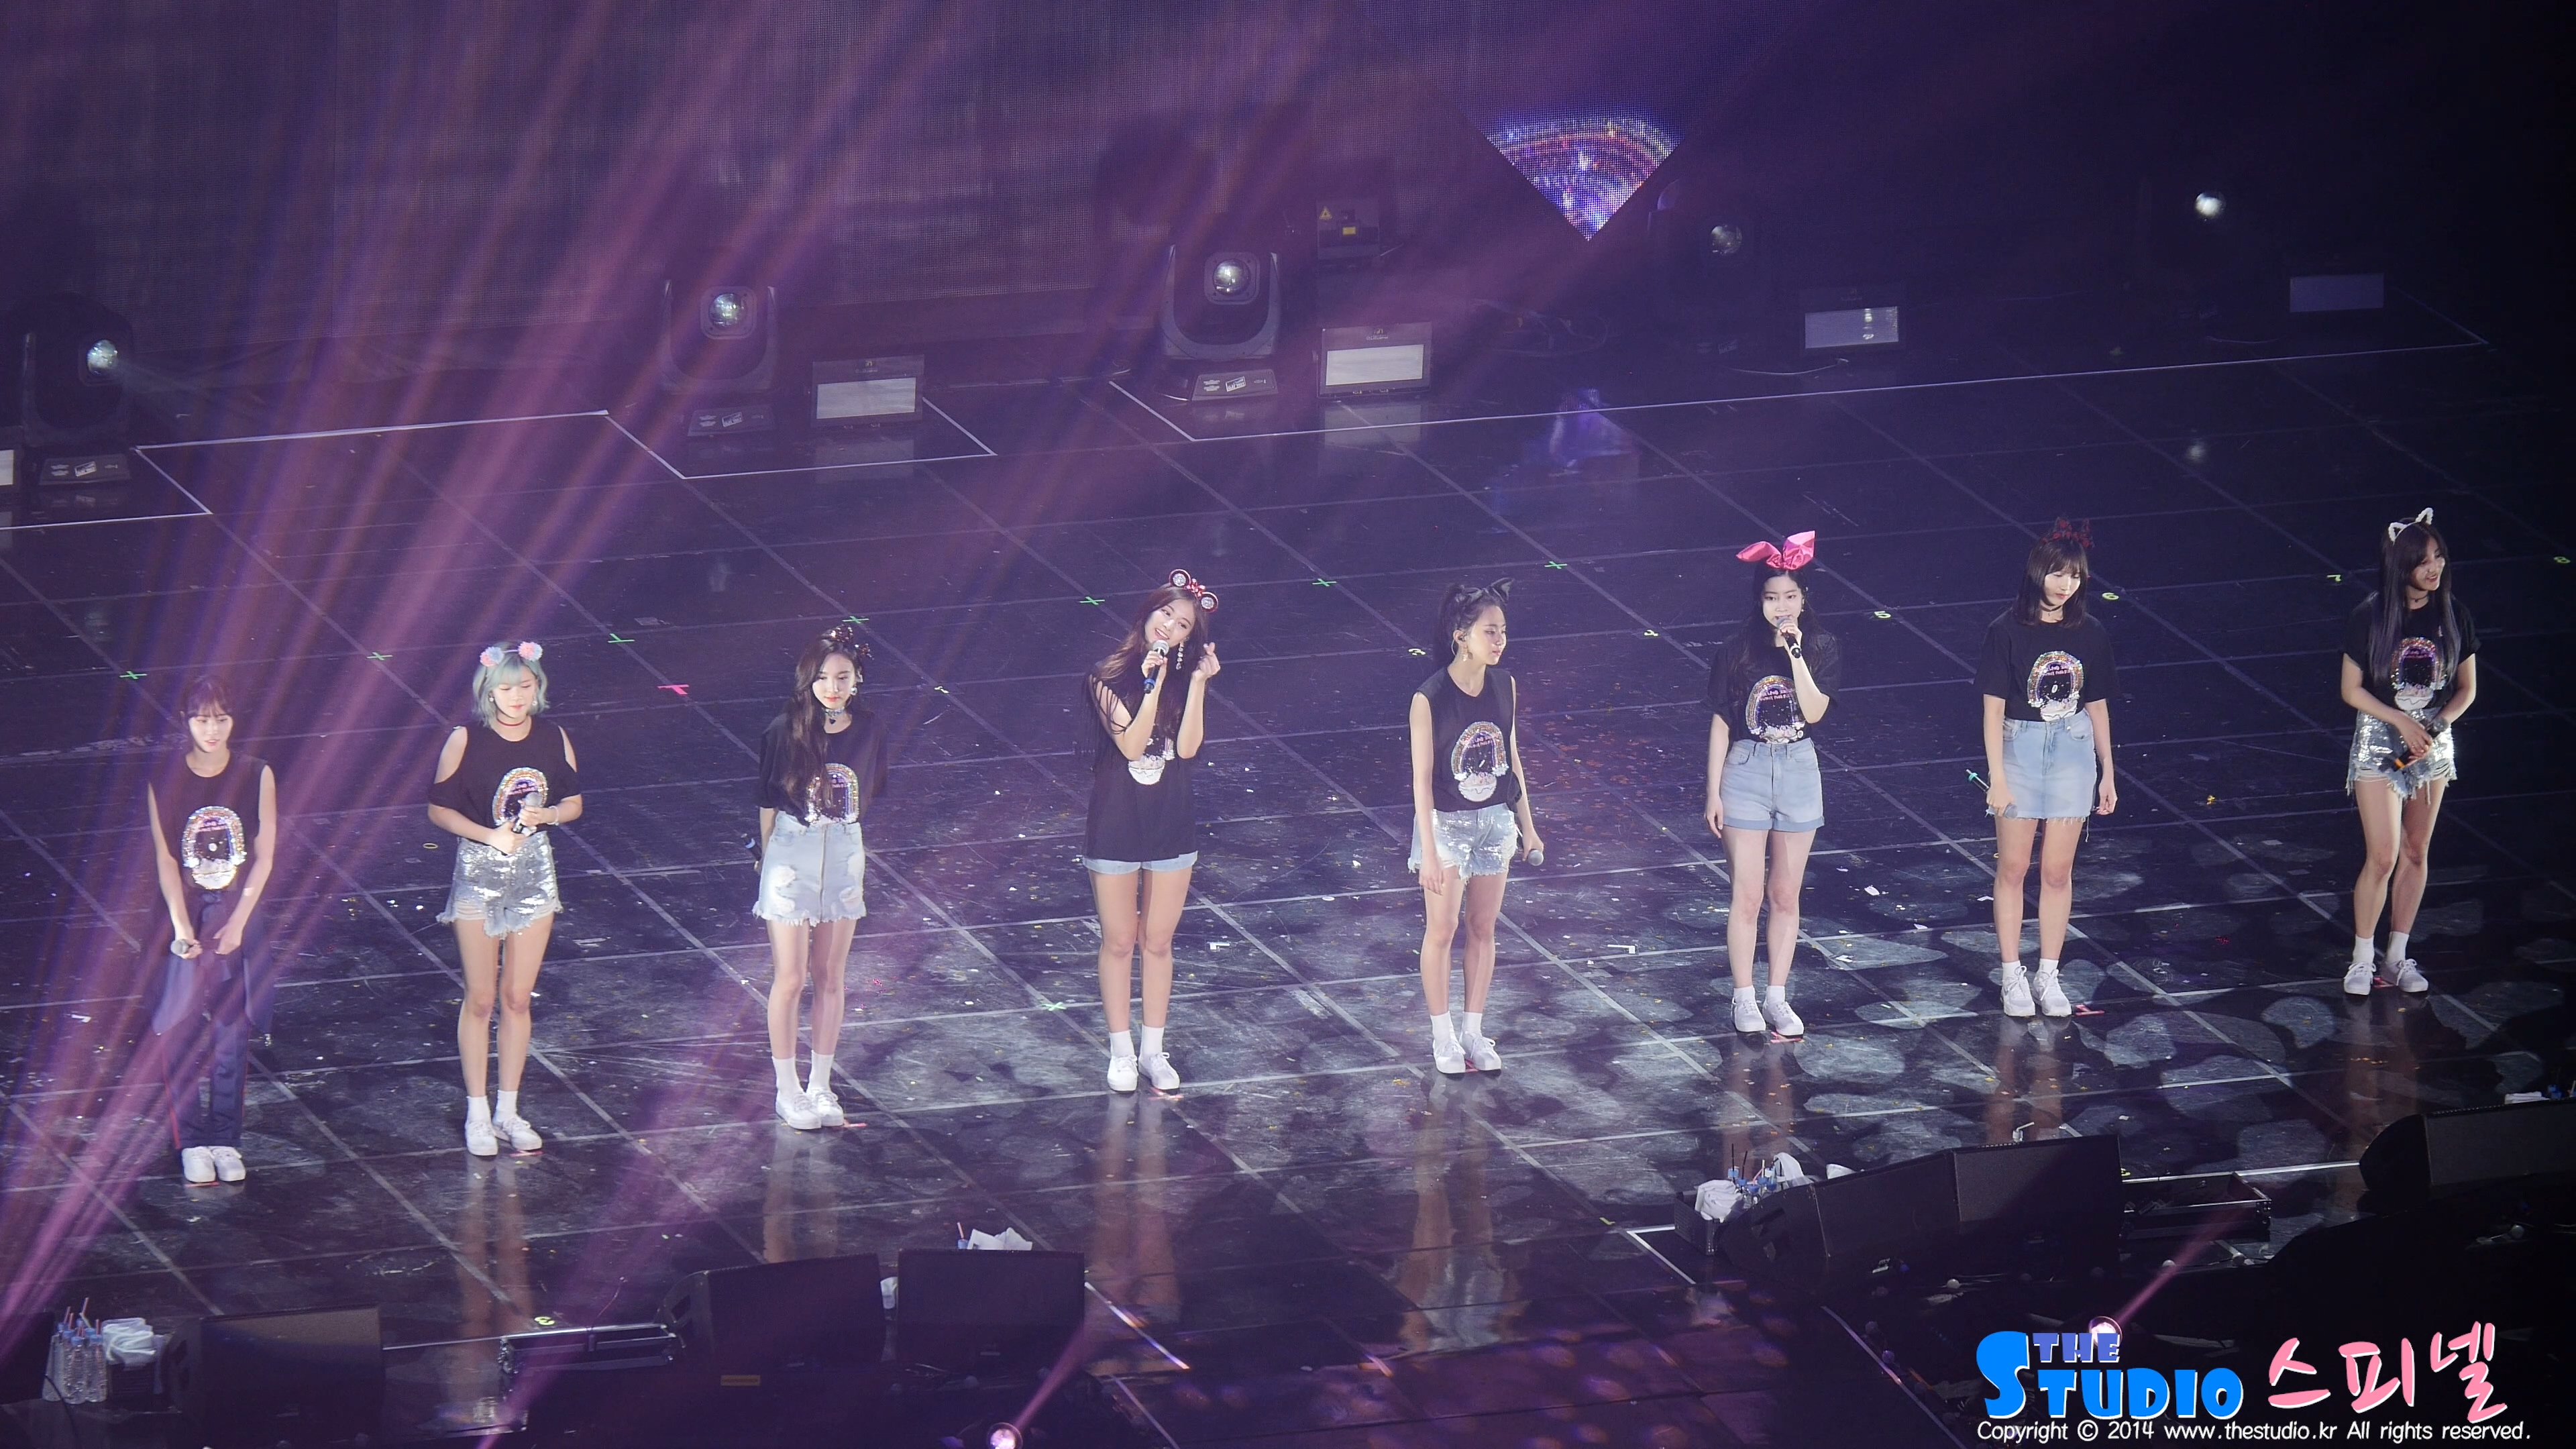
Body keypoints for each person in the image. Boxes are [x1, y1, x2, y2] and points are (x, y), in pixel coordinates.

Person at [428, 641, 583, 1157]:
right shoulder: (466, 739)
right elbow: (438, 808)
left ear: (537, 687)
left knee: (518, 997)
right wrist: (489, 836)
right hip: (480, 871)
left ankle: (508, 1111)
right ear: (488, 692)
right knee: (481, 997)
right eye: (506, 688)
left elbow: (574, 800)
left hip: (534, 872)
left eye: (525, 686)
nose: (516, 697)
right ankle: (477, 1113)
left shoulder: (553, 737)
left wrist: (549, 816)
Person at [1083, 571, 1220, 1092]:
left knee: (1158, 942)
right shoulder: (1105, 677)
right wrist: (1153, 683)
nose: (1170, 626)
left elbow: (1186, 749)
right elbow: (1132, 744)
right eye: (1167, 613)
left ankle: (1153, 1051)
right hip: (1116, 824)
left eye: (1183, 625)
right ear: (1148, 612)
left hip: (1170, 823)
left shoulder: (1185, 680)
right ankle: (1121, 1053)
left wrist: (1197, 685)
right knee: (1120, 941)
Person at [1977, 523, 2118, 1018]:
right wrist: (1997, 776)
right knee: (2014, 868)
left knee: (2058, 872)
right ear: (2038, 573)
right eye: (2058, 574)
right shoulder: (2006, 630)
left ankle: (2049, 974)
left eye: (2075, 577)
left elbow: (2097, 703)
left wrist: (2108, 770)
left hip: (2072, 751)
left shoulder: (2091, 632)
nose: (2065, 585)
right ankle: (2012, 974)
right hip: (2020, 748)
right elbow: (1992, 709)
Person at [1703, 533, 1840, 1038]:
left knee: (1785, 893)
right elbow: (1721, 722)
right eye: (1771, 597)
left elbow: (1816, 711)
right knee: (1748, 894)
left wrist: (1796, 654)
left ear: (1804, 599)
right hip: (1747, 769)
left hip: (1799, 769)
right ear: (1758, 600)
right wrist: (1712, 791)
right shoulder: (1736, 651)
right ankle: (1744, 996)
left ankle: (1777, 996)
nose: (1780, 607)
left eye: (1789, 597)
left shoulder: (1821, 648)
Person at [146, 676, 278, 1186]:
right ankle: (191, 1141)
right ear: (186, 721)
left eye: (221, 718)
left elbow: (264, 857)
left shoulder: (256, 773)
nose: (212, 729)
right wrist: (182, 926)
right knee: (178, 1026)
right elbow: (165, 858)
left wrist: (239, 922)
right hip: (182, 911)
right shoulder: (165, 779)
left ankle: (226, 1137)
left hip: (235, 911)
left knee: (231, 1028)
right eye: (202, 719)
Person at [755, 625, 888, 1128]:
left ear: (857, 680)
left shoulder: (869, 728)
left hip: (845, 851)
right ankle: (787, 1090)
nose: (833, 687)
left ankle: (821, 1087)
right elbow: (767, 802)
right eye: (823, 678)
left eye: (842, 677)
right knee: (791, 977)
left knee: (831, 975)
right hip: (792, 854)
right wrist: (767, 859)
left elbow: (873, 787)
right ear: (807, 680)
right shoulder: (784, 729)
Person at [1409, 579, 1544, 1075]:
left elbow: (1513, 758)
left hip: (1495, 822)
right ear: (1461, 636)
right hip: (1446, 825)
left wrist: (1528, 825)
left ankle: (1473, 1031)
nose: (1499, 640)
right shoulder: (1430, 697)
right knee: (1443, 930)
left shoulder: (1505, 685)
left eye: (1503, 630)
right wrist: (1428, 849)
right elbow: (1422, 781)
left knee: (1483, 928)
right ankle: (1443, 1036)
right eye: (1490, 631)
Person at [2341, 508, 2476, 997]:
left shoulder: (2453, 614)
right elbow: (2351, 690)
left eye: (2438, 557)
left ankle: (2397, 957)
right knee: (2383, 854)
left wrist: (2435, 728)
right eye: (2423, 561)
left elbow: (2467, 689)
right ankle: (2362, 960)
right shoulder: (2370, 615)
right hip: (2381, 740)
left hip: (2431, 744)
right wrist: (2400, 721)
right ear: (2402, 566)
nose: (2434, 568)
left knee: (2416, 851)